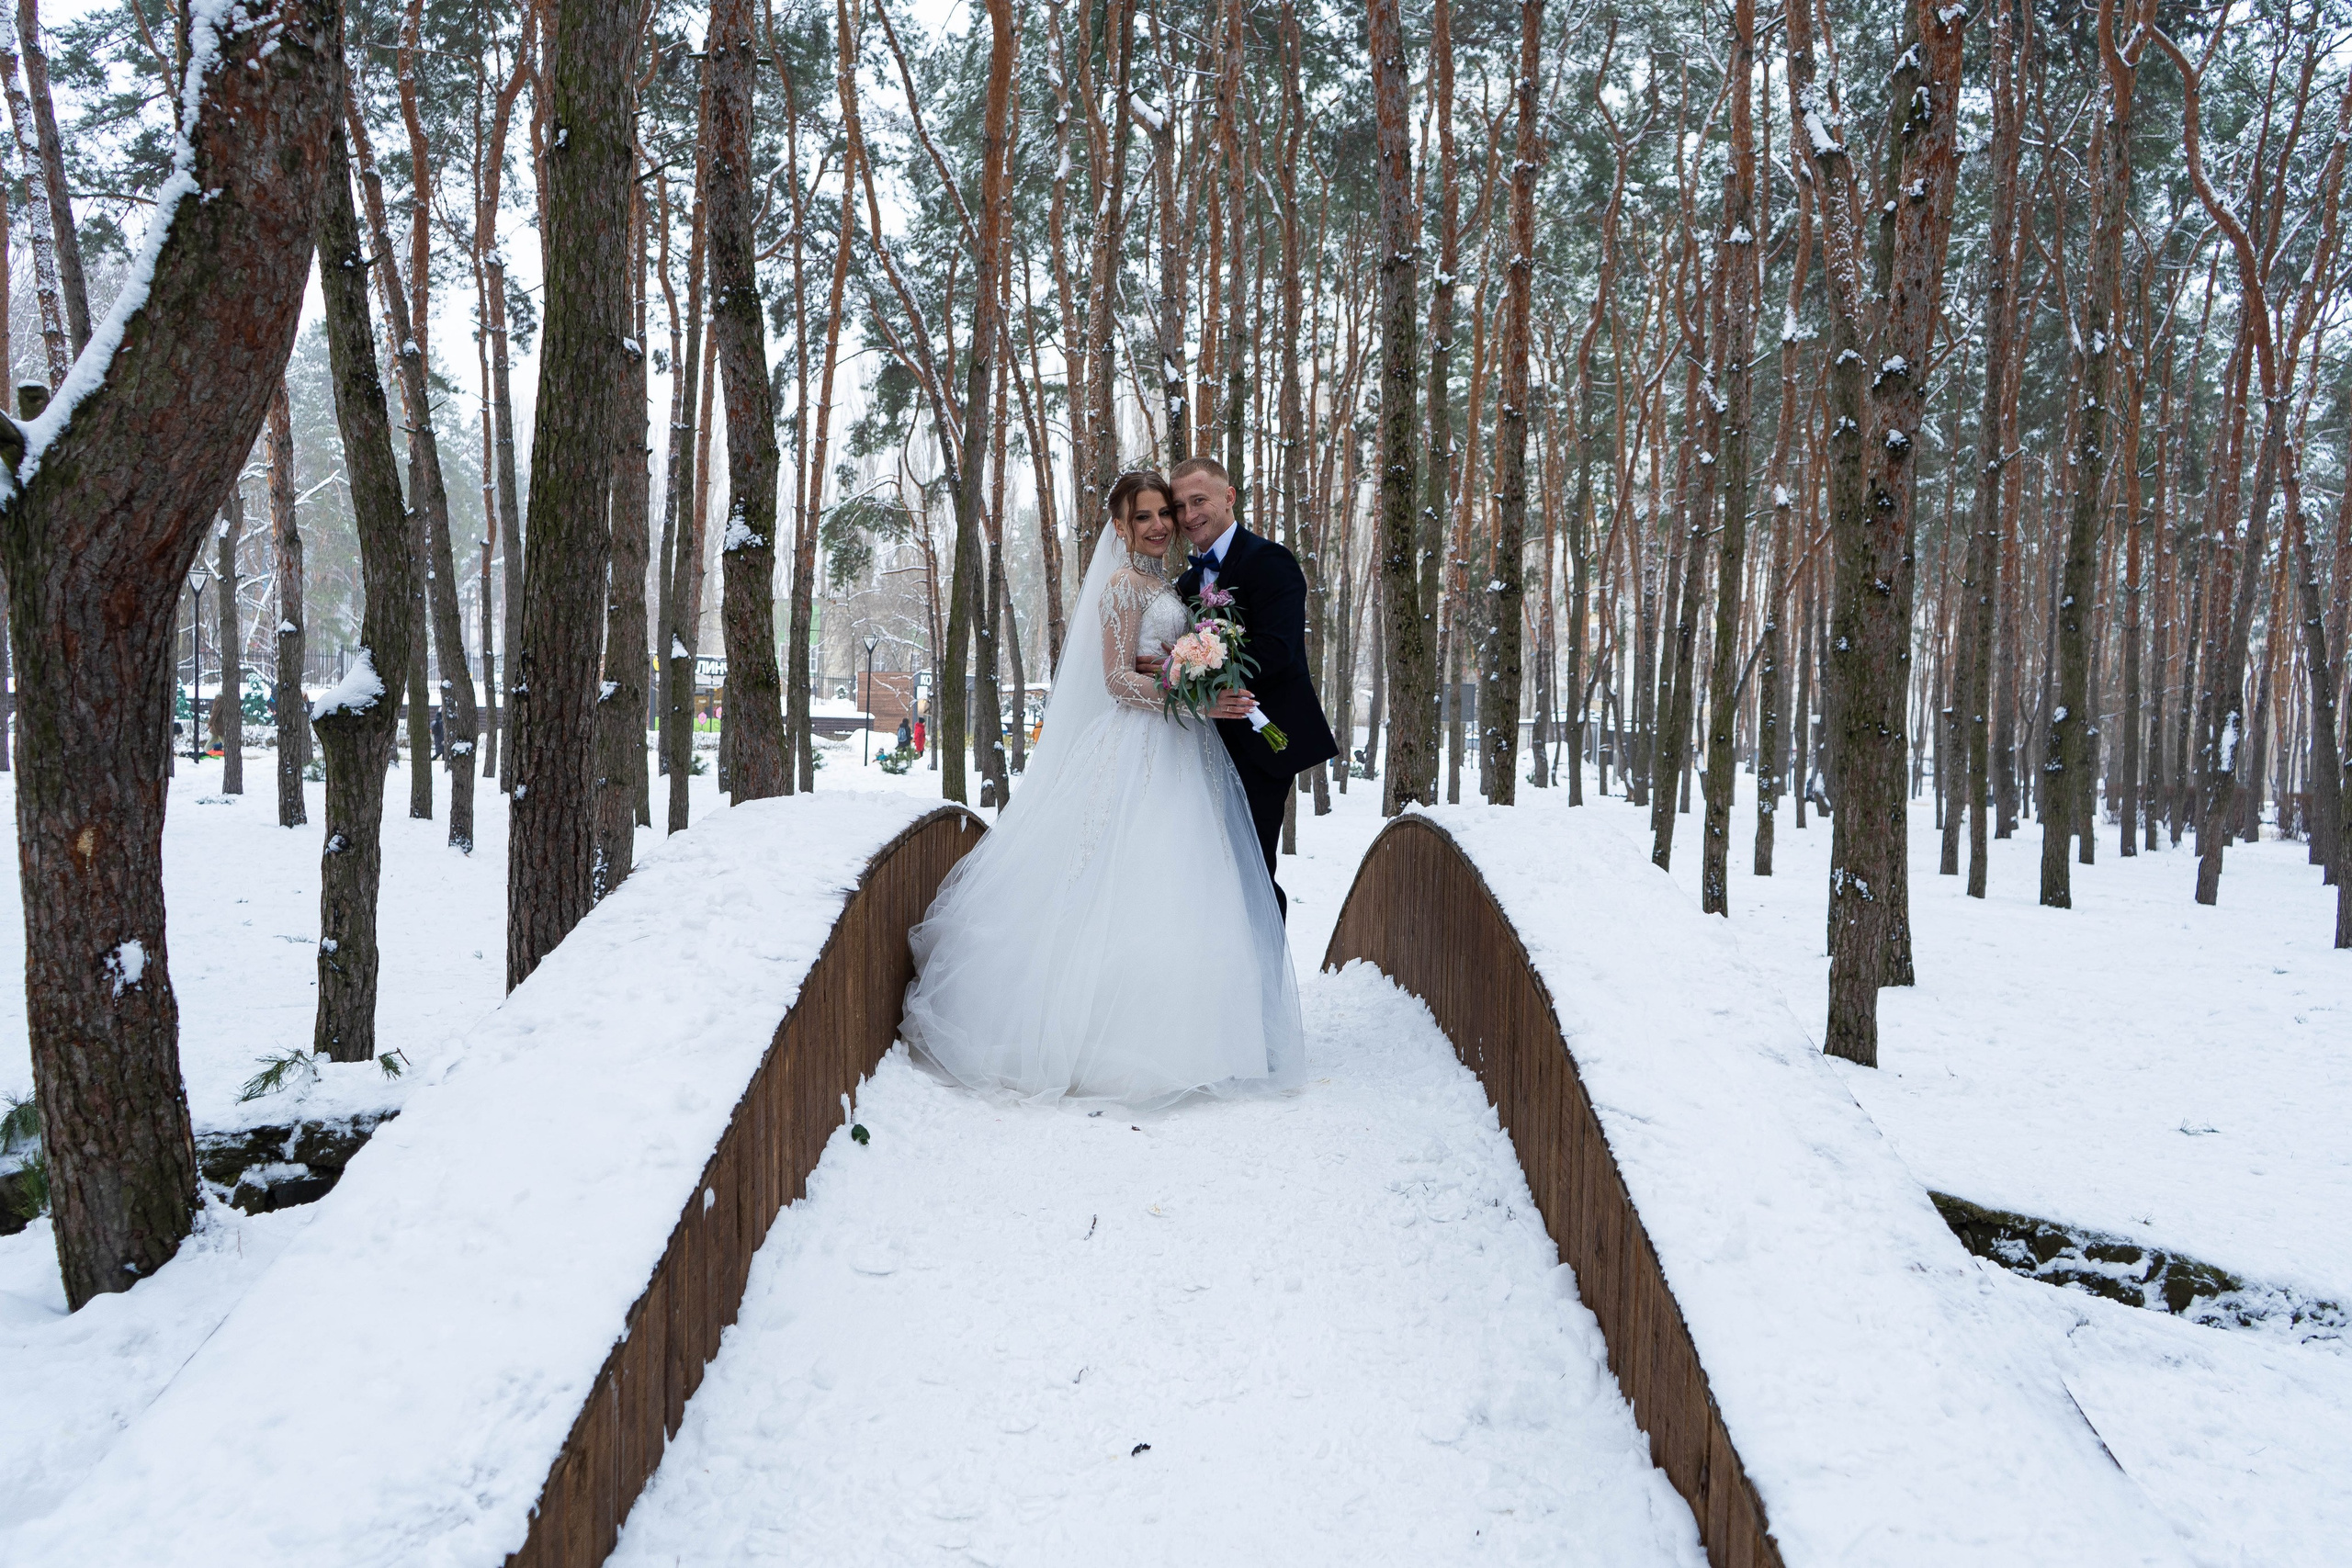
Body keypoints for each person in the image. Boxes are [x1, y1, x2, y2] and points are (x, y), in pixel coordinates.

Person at [900, 468, 1303, 1109]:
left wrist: (1182, 670)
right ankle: (1111, 1042)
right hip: (1140, 742)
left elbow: (1184, 654)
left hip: (1185, 748)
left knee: (1189, 882)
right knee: (1121, 878)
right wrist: (1188, 692)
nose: (1161, 524)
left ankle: (1207, 1034)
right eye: (1144, 516)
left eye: (1165, 513)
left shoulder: (1171, 585)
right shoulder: (1120, 586)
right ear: (1120, 526)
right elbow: (1117, 680)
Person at [1153, 455, 1340, 919]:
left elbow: (1278, 650)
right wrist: (1168, 667)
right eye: (1180, 506)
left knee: (1251, 874)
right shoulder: (1186, 582)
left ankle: (1266, 967)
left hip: (1261, 743)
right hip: (1201, 747)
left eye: (1199, 500)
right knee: (1206, 876)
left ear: (1229, 497)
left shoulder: (1270, 560)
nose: (1189, 515)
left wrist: (1199, 674)